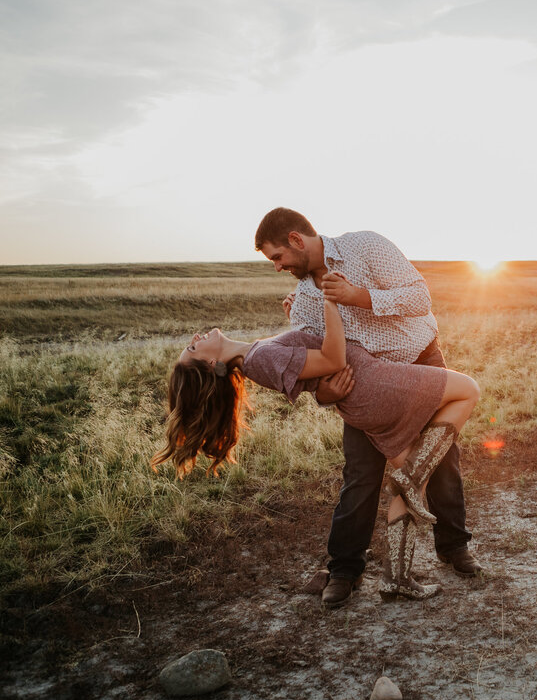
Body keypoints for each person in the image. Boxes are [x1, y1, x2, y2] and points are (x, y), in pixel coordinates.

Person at [151, 298, 480, 600]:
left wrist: (299, 317)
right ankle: (346, 568)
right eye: (193, 346)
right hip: (371, 386)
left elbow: (305, 360)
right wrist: (328, 301)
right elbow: (330, 359)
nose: (196, 335)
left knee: (414, 476)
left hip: (368, 387)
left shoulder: (253, 352)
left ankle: (401, 575)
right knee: (462, 398)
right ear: (210, 363)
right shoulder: (256, 357)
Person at [254, 207, 484, 609]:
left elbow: (420, 297)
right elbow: (320, 363)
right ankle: (345, 569)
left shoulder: (366, 245)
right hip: (366, 384)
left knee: (442, 457)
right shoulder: (305, 300)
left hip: (419, 357)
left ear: (295, 239)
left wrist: (358, 297)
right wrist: (325, 395)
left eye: (277, 257)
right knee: (360, 471)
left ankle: (454, 546)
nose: (277, 267)